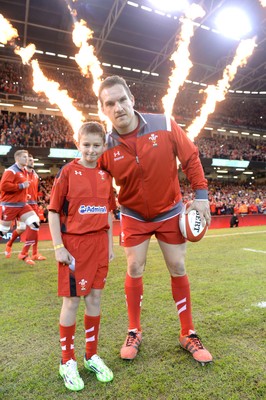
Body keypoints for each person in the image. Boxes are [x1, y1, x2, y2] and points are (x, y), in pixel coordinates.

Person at [98, 75, 212, 365]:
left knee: (177, 265)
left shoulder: (163, 123)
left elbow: (190, 157)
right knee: (134, 267)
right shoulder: (104, 145)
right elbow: (99, 187)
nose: (118, 107)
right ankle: (134, 331)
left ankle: (188, 332)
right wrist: (105, 222)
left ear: (132, 100)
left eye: (122, 100)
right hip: (133, 214)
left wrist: (200, 196)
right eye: (110, 103)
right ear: (104, 110)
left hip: (170, 210)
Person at [48, 122, 115, 392]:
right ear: (78, 144)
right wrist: (58, 247)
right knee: (72, 301)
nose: (91, 150)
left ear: (103, 146)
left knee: (95, 298)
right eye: (86, 144)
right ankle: (67, 361)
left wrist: (110, 246)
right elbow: (53, 212)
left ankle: (91, 355)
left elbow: (109, 213)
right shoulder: (67, 172)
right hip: (74, 246)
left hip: (99, 245)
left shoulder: (105, 175)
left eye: (96, 145)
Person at [0, 149, 40, 265]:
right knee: (3, 231)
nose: (26, 159)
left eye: (27, 157)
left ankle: (23, 254)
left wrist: (24, 194)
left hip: (22, 205)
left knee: (35, 223)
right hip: (9, 206)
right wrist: (21, 186)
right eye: (24, 157)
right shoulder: (11, 171)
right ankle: (9, 245)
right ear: (17, 159)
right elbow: (3, 186)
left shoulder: (24, 171)